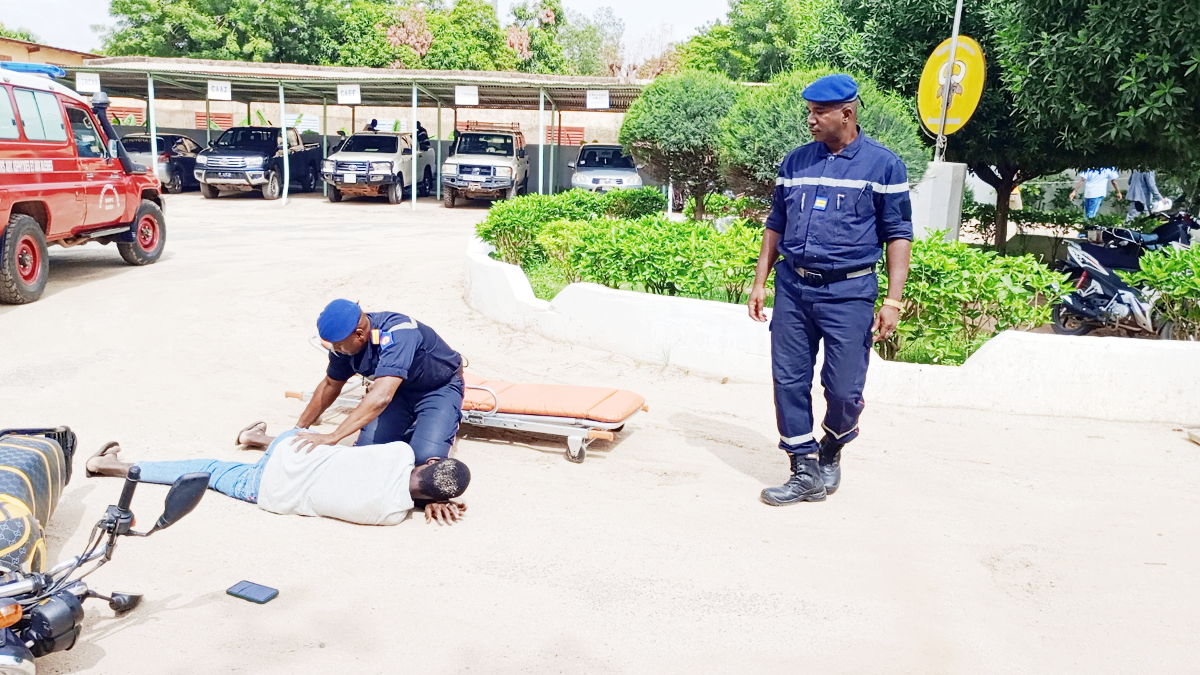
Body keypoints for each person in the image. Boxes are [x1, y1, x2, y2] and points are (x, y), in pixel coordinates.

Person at [746, 73, 913, 506]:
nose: (811, 120)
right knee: (788, 380)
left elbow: (898, 234)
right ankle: (803, 468)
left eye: (819, 113)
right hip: (793, 288)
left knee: (843, 389)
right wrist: (760, 281)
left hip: (849, 293)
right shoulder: (795, 162)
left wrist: (893, 300)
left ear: (847, 113)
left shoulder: (884, 165)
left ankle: (833, 444)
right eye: (809, 112)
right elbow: (775, 224)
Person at [84, 426, 470, 525]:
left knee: (328, 444)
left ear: (430, 463)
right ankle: (110, 466)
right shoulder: (392, 515)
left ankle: (255, 438)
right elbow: (398, 494)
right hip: (265, 491)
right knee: (210, 470)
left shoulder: (400, 453)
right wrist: (428, 501)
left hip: (288, 450)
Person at [295, 300, 465, 463]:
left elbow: (382, 396)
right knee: (367, 452)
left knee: (424, 459)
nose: (335, 349)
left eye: (338, 345)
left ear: (359, 334)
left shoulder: (399, 334)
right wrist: (299, 429)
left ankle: (429, 426)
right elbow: (330, 384)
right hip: (399, 392)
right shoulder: (344, 345)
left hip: (438, 389)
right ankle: (409, 429)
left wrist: (334, 436)